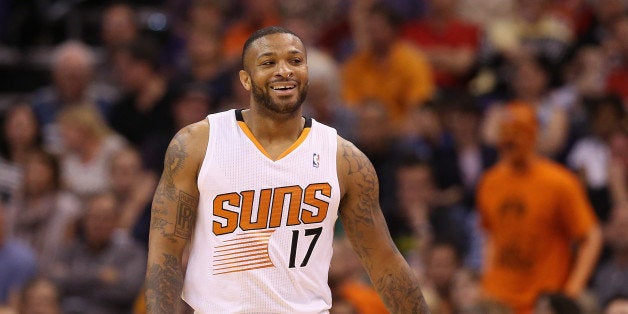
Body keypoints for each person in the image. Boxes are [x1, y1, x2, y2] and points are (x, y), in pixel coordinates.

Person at [145, 26, 430, 313]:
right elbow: (165, 253)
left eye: (295, 61)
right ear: (245, 79)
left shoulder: (344, 158)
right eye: (269, 62)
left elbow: (384, 261)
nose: (285, 71)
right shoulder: (197, 144)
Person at [476, 102, 602, 313]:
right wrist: (486, 283)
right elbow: (491, 237)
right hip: (498, 300)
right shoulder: (489, 182)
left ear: (532, 135)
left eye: (515, 138)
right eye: (505, 139)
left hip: (542, 301)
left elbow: (591, 236)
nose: (509, 144)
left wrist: (572, 290)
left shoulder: (559, 182)